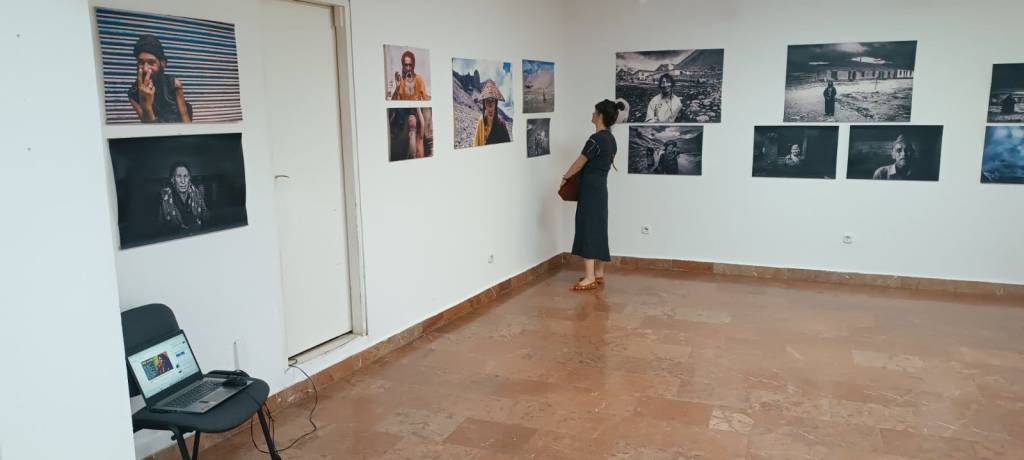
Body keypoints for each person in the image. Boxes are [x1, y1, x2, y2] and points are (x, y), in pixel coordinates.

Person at [561, 99, 623, 291]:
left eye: (594, 112)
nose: (592, 114)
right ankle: (599, 273)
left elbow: (579, 163)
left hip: (589, 190)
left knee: (587, 228)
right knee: (599, 229)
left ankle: (589, 278)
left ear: (600, 116)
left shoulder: (595, 139)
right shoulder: (611, 139)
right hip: (601, 189)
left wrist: (565, 177)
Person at [128, 34, 192, 123]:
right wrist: (147, 107)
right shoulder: (133, 93)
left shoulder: (174, 84)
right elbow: (147, 125)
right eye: (141, 62)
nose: (145, 69)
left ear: (162, 64)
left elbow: (185, 119)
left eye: (151, 62)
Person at [160, 161, 208, 233]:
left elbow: (205, 216)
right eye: (179, 176)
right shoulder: (164, 198)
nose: (183, 181)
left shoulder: (197, 193)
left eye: (185, 176)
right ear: (172, 179)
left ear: (189, 178)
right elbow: (161, 227)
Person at [473, 80, 511, 146]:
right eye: (487, 101)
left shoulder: (501, 124)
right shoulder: (481, 121)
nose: (490, 106)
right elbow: (476, 144)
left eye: (492, 101)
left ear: (496, 103)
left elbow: (507, 146)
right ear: (484, 104)